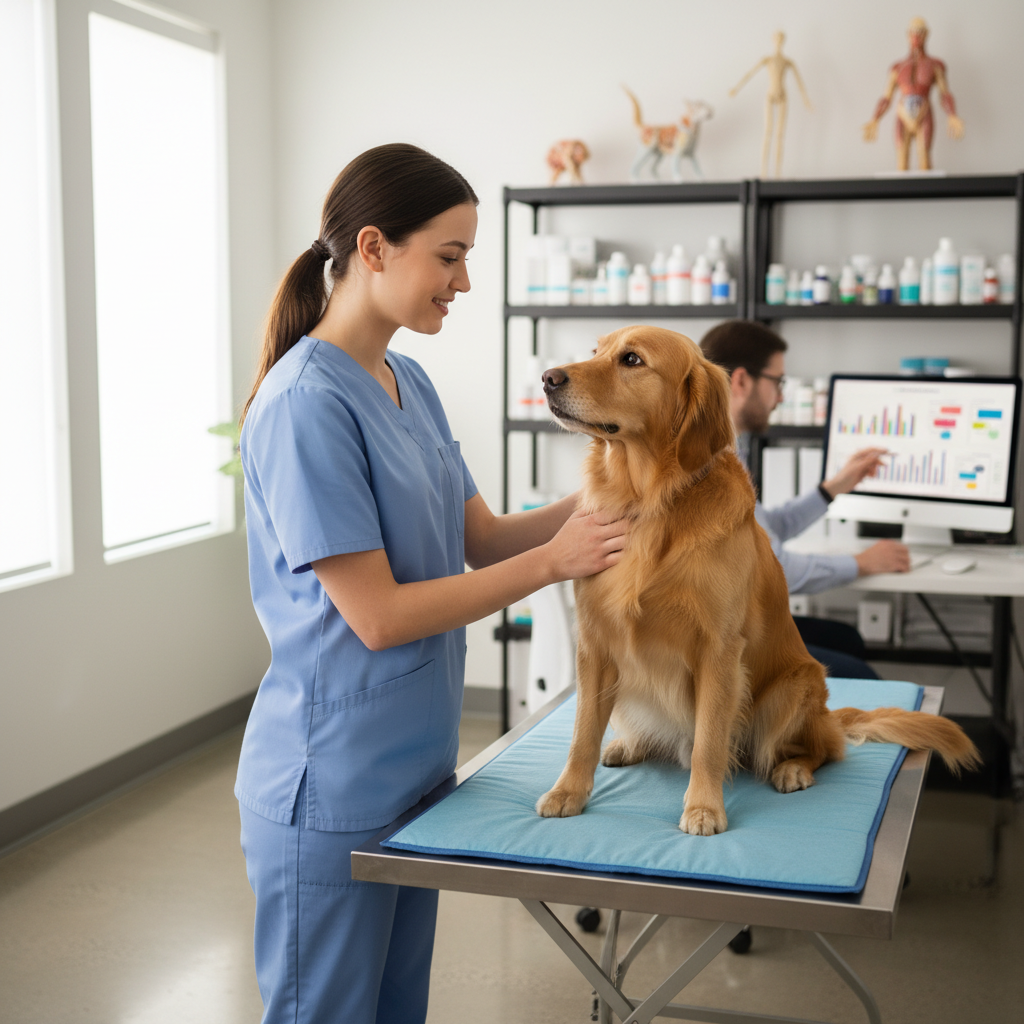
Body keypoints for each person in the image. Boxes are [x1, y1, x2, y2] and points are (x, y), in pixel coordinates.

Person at [234, 143, 628, 1024]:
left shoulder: (407, 378)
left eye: (467, 259)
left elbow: (480, 538)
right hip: (329, 781)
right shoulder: (305, 404)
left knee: (397, 1009)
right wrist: (554, 565)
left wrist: (615, 496)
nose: (464, 281)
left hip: (416, 769)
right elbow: (377, 617)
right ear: (374, 248)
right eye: (449, 257)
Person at [700, 320, 910, 678]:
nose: (781, 396)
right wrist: (861, 562)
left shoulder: (724, 449)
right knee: (862, 673)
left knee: (847, 639)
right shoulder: (709, 462)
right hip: (721, 642)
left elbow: (769, 527)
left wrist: (831, 489)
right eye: (777, 382)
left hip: (739, 623)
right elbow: (777, 569)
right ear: (741, 381)